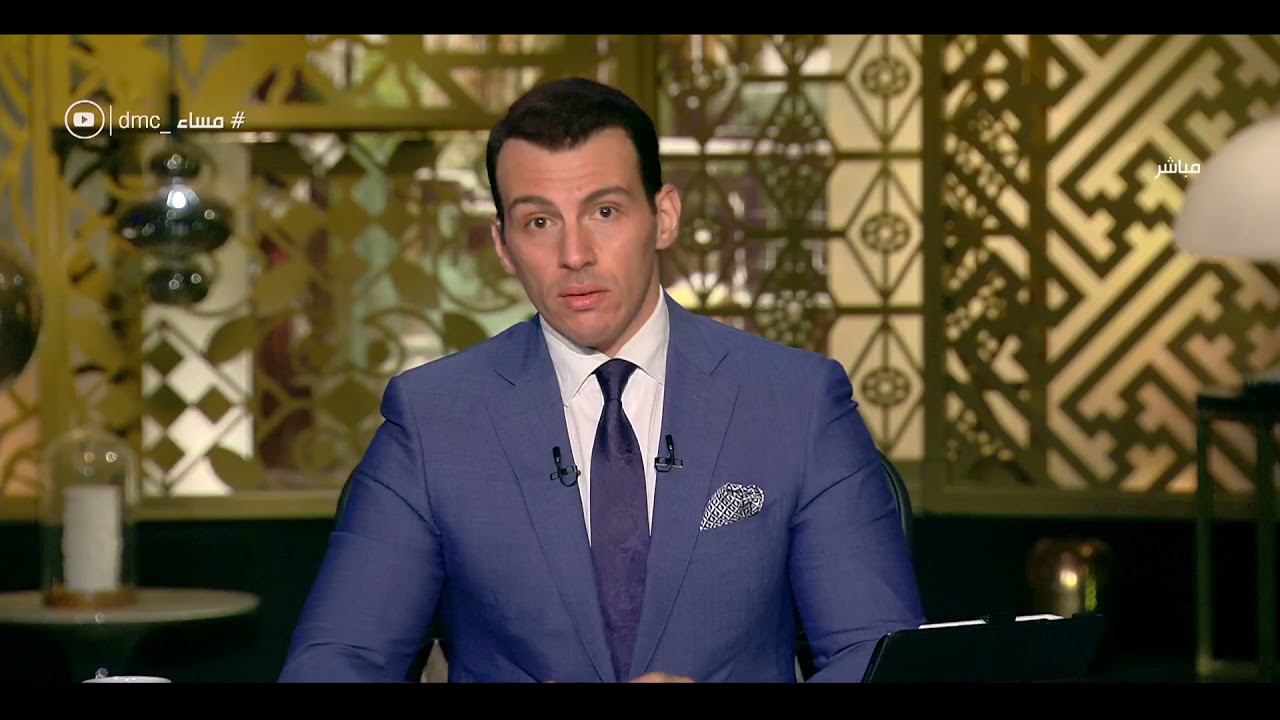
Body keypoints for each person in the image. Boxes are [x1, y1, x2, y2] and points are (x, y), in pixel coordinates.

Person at [278, 76, 925, 683]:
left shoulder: (797, 402)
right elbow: (334, 663)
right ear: (502, 244)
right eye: (539, 222)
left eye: (605, 211)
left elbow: (879, 658)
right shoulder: (432, 421)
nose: (574, 254)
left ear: (663, 216)